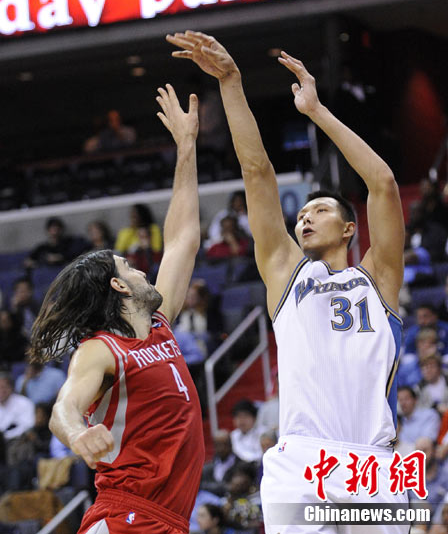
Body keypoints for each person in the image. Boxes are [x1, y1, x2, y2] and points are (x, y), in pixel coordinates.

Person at [167, 30, 409, 532]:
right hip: (301, 460)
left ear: (350, 228)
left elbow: (383, 183)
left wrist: (316, 112)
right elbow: (257, 171)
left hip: (373, 461)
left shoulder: (379, 278)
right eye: (300, 214)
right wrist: (231, 83)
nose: (304, 218)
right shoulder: (286, 272)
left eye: (319, 210)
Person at [29, 85, 205, 534]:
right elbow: (64, 407)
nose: (143, 270)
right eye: (130, 266)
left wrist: (186, 146)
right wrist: (78, 433)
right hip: (127, 516)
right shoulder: (102, 349)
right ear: (118, 286)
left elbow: (183, 238)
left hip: (169, 520)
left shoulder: (160, 325)